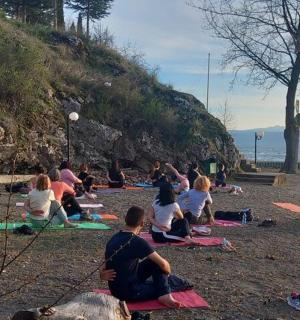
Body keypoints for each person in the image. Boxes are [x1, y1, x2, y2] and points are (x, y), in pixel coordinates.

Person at [105, 206, 185, 307]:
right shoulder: (137, 241)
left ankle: (164, 290)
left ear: (126, 219)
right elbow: (164, 265)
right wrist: (167, 272)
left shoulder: (114, 237)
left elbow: (104, 264)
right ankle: (164, 294)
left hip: (116, 289)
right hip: (129, 293)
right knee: (175, 282)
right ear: (142, 224)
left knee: (153, 263)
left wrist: (101, 275)